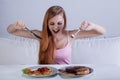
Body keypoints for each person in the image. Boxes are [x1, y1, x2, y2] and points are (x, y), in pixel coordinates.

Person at [7, 5, 106, 64]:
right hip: (44, 76)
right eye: (51, 23)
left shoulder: (71, 35)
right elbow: (11, 31)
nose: (55, 27)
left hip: (67, 76)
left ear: (64, 22)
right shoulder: (40, 35)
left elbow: (101, 32)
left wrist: (92, 25)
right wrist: (15, 26)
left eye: (59, 23)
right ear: (47, 23)